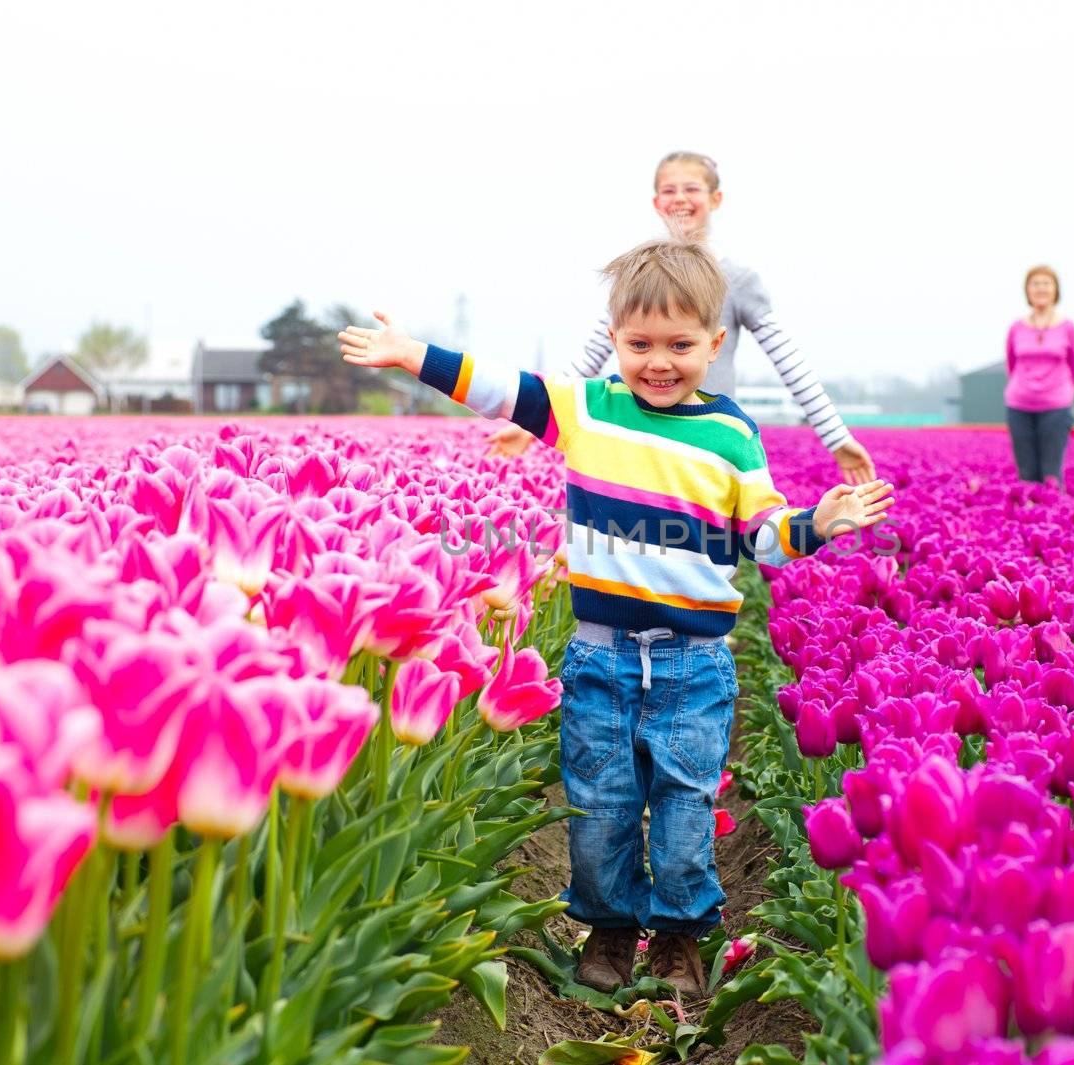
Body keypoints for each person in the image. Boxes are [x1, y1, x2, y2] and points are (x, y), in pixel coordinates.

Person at [339, 238, 893, 997]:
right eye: (638, 344)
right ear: (614, 337)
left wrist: (817, 521)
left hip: (693, 662)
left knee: (684, 803)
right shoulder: (586, 408)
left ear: (715, 343)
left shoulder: (731, 434)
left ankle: (678, 938)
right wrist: (412, 354)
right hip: (600, 656)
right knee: (598, 804)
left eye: (679, 345)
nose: (658, 362)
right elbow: (504, 388)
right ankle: (607, 926)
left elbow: (761, 534)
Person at [489, 151, 877, 486]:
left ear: (715, 198)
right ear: (657, 202)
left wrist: (836, 439)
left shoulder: (738, 280)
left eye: (692, 189)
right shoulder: (638, 275)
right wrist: (532, 419)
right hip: (642, 433)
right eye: (670, 190)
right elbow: (592, 353)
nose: (681, 199)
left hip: (710, 432)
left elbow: (788, 361)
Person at [1004, 265, 1074, 484]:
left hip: (1056, 406)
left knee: (1051, 474)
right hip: (1019, 405)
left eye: (1046, 283)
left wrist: (1065, 394)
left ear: (1056, 289)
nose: (1041, 288)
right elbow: (1011, 363)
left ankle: (1051, 516)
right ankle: (1027, 515)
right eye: (1035, 283)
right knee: (1026, 474)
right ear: (1027, 290)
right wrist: (1023, 388)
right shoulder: (1016, 328)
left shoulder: (1067, 328)